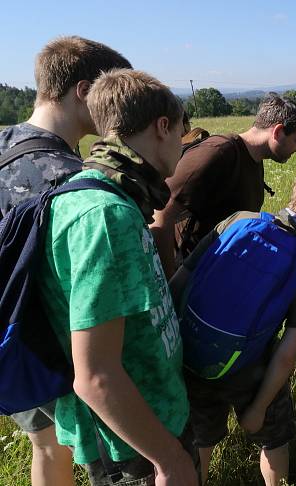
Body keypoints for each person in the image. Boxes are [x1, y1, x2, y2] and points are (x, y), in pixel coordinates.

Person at [38, 68, 197, 485]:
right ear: (163, 127)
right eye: (181, 132)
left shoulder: (112, 195)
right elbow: (96, 377)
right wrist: (171, 460)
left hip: (155, 421)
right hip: (136, 449)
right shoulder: (104, 216)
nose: (182, 146)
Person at [0, 35, 131, 486]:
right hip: (54, 348)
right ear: (82, 92)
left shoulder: (4, 142)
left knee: (46, 445)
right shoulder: (69, 181)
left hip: (10, 340)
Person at [170, 169, 296, 485]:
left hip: (193, 350)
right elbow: (286, 354)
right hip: (248, 366)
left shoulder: (239, 220)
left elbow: (181, 280)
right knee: (274, 439)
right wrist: (258, 408)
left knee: (200, 434)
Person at [151, 93, 296, 278]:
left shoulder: (254, 159)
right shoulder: (217, 154)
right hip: (188, 275)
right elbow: (161, 212)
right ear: (277, 132)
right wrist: (170, 282)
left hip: (215, 273)